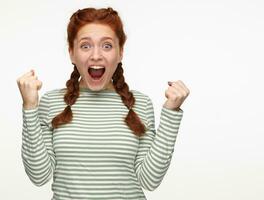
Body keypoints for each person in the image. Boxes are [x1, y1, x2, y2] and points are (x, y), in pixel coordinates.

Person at [17, 7, 189, 200]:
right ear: (72, 53)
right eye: (85, 46)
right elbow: (39, 176)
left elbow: (149, 180)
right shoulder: (52, 102)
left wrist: (171, 114)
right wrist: (30, 107)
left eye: (107, 46)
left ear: (120, 52)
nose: (96, 55)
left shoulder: (140, 104)